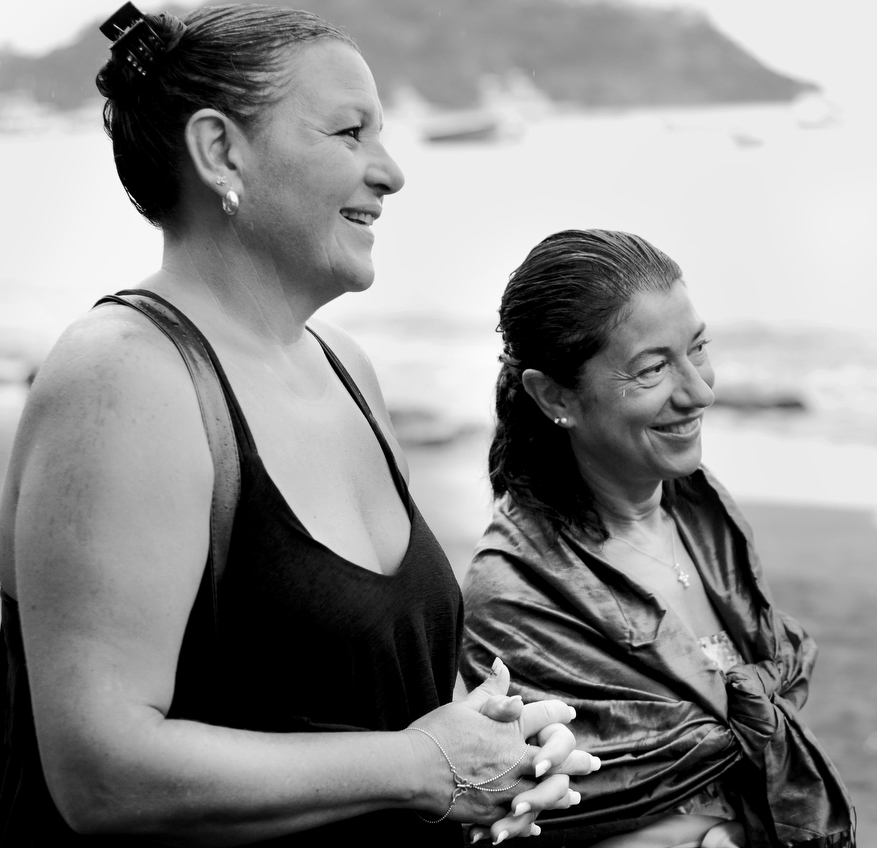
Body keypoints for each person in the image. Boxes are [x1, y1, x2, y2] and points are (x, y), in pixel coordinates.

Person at [0, 4, 594, 844]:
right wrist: (424, 768)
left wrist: (496, 746)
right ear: (220, 151)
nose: (390, 172)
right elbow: (102, 771)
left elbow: (372, 695)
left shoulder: (346, 368)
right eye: (349, 133)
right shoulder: (126, 378)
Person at [460, 229, 855, 848]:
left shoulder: (704, 517)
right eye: (652, 369)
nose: (699, 391)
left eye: (698, 349)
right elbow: (529, 821)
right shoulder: (515, 595)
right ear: (555, 395)